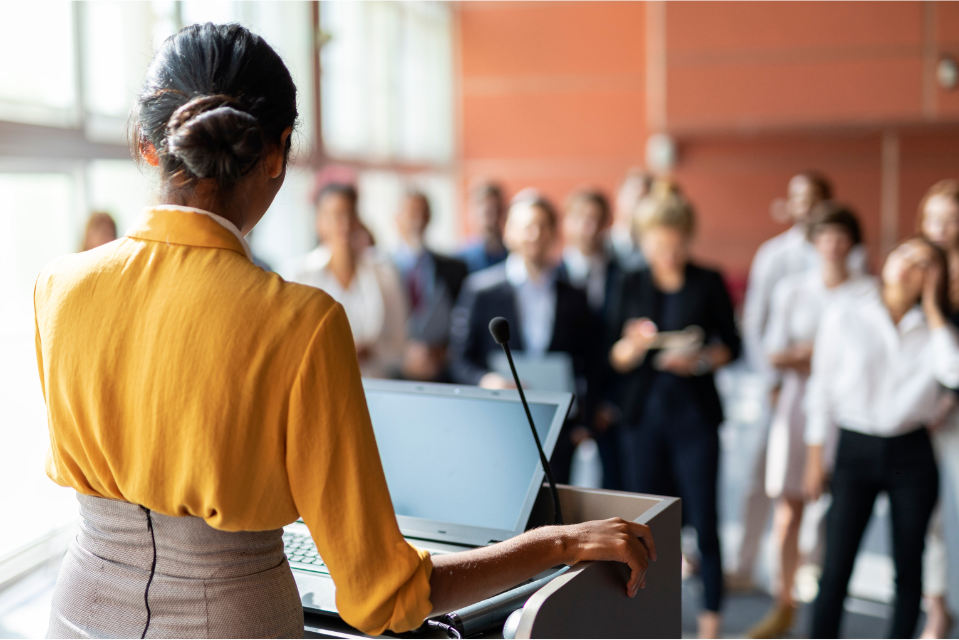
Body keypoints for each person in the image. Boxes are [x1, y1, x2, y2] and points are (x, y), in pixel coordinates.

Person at [34, 23, 657, 639]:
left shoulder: (57, 288)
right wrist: (556, 542)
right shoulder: (300, 322)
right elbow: (384, 597)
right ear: (277, 153)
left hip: (78, 612)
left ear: (147, 145)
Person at [804, 236, 958, 639]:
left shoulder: (938, 327)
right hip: (854, 446)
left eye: (924, 264)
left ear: (934, 279)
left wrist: (934, 311)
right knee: (836, 565)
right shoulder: (846, 311)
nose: (909, 265)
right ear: (888, 259)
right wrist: (814, 456)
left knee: (909, 567)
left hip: (912, 451)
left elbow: (954, 373)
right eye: (905, 254)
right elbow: (820, 389)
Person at [609, 183, 740, 639]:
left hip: (695, 415)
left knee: (705, 519)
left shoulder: (708, 279)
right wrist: (635, 344)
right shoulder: (629, 280)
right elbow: (615, 357)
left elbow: (733, 347)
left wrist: (700, 359)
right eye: (658, 243)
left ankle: (710, 625)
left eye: (676, 242)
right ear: (643, 240)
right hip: (643, 416)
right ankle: (650, 620)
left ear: (689, 237)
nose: (667, 251)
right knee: (645, 526)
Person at [746, 203, 872, 639]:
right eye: (826, 236)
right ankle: (784, 603)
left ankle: (824, 597)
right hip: (798, 405)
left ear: (853, 243)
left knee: (838, 507)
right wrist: (818, 357)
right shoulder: (792, 290)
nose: (833, 245)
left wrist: (810, 354)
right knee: (790, 506)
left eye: (842, 237)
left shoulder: (867, 291)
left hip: (852, 408)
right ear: (814, 242)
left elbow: (866, 361)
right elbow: (773, 352)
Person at [733, 171, 856, 589]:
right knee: (763, 480)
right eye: (798, 198)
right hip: (784, 388)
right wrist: (770, 379)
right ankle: (747, 565)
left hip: (839, 394)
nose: (805, 206)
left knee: (823, 485)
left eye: (814, 199)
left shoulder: (852, 261)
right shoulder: (774, 255)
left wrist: (817, 355)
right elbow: (756, 323)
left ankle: (808, 569)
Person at [449, 192, 595, 484]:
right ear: (508, 232)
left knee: (558, 515)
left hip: (558, 426)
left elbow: (590, 361)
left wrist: (583, 422)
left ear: (555, 233)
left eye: (543, 226)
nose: (534, 234)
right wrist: (486, 380)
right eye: (525, 225)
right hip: (501, 423)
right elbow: (459, 358)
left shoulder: (575, 295)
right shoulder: (480, 290)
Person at [291, 182, 406, 378]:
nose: (343, 224)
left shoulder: (384, 273)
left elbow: (400, 343)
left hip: (373, 387)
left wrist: (372, 352)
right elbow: (292, 345)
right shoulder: (299, 276)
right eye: (335, 216)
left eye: (349, 214)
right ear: (319, 222)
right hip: (319, 384)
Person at [557, 188, 624, 489]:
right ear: (567, 222)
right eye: (582, 219)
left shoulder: (626, 276)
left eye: (598, 219)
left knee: (618, 489)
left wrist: (607, 402)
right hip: (565, 404)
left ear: (609, 222)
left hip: (613, 403)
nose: (590, 228)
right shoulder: (550, 276)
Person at [916, 179, 959, 639]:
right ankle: (938, 607)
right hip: (922, 412)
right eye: (933, 218)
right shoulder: (916, 268)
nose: (940, 228)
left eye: (950, 219)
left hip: (954, 411)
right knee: (929, 518)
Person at [392, 189, 468, 382]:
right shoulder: (381, 268)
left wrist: (442, 352)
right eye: (411, 213)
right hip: (395, 373)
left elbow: (463, 321)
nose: (417, 220)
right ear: (396, 218)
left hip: (440, 371)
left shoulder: (454, 268)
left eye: (423, 213)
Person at [457, 180, 509, 274]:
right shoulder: (460, 258)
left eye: (497, 210)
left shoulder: (513, 254)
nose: (493, 218)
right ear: (472, 212)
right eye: (487, 213)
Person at [609, 168, 651, 271]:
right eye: (631, 193)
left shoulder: (654, 250)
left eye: (643, 197)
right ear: (618, 196)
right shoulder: (600, 245)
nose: (636, 202)